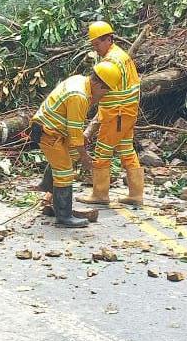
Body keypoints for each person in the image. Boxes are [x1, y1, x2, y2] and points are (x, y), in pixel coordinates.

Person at [29, 62, 120, 228]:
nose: (104, 95)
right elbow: (75, 134)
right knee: (64, 172)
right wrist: (86, 158)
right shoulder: (79, 95)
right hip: (49, 133)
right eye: (105, 90)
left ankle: (48, 184)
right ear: (97, 84)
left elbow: (74, 131)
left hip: (55, 129)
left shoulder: (81, 80)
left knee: (71, 155)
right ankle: (64, 217)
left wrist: (80, 150)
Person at [78, 21, 144, 206]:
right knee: (127, 150)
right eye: (93, 45)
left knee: (102, 152)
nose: (96, 48)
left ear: (108, 39)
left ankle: (100, 194)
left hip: (117, 113)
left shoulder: (112, 62)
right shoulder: (120, 55)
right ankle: (136, 194)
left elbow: (101, 90)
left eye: (97, 44)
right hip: (127, 113)